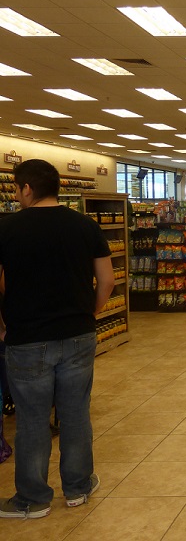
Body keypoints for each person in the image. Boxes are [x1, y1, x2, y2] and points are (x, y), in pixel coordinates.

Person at [0, 159, 115, 519]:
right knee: (75, 413)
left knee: (32, 419)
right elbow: (107, 280)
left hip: (27, 337)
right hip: (78, 335)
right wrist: (89, 314)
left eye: (17, 189)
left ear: (27, 189)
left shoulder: (7, 228)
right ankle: (78, 488)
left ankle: (33, 499)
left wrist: (2, 323)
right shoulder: (84, 225)